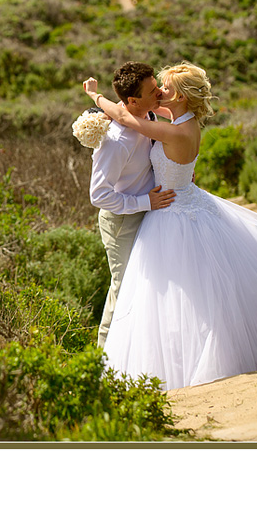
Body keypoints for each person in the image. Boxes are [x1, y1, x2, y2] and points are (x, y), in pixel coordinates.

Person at [83, 62, 257, 390]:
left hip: (171, 211)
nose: (159, 92)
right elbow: (131, 133)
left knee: (174, 292)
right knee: (176, 288)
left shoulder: (170, 126)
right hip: (174, 204)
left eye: (163, 88)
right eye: (156, 90)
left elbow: (127, 118)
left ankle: (174, 362)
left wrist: (95, 97)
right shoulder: (178, 120)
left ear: (179, 96)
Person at [89, 62, 176, 349]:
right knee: (123, 287)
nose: (159, 93)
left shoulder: (149, 114)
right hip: (122, 223)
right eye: (153, 91)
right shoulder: (115, 142)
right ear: (133, 101)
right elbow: (99, 196)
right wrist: (145, 201)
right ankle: (102, 359)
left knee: (152, 284)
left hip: (150, 215)